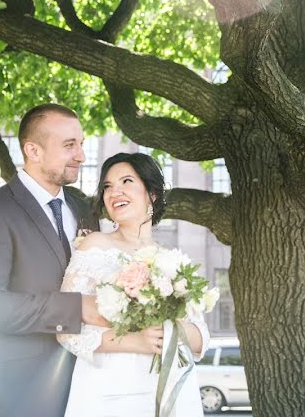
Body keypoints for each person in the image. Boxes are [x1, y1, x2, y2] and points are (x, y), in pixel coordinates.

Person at [0, 103, 106, 417]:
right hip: (17, 399)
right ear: (33, 151)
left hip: (85, 391)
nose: (81, 155)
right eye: (69, 146)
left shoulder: (83, 207)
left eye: (81, 144)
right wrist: (77, 308)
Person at [58, 152, 210, 417]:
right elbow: (65, 329)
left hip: (171, 386)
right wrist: (136, 341)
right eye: (107, 186)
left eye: (126, 181)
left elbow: (200, 340)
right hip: (109, 390)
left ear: (151, 193)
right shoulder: (95, 245)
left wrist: (171, 326)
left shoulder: (171, 259)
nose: (115, 191)